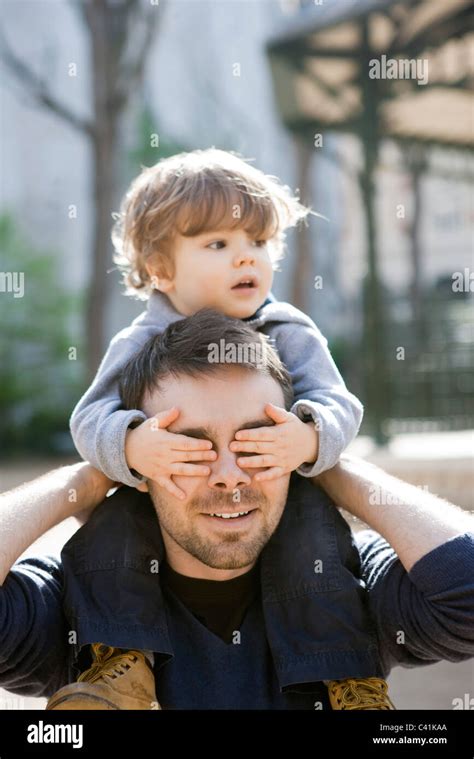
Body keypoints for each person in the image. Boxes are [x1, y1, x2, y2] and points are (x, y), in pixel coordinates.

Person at [1, 312, 472, 710]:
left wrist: (326, 463)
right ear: (139, 467)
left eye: (259, 445)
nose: (229, 474)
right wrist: (86, 479)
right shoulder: (78, 597)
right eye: (189, 449)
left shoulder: (344, 582)